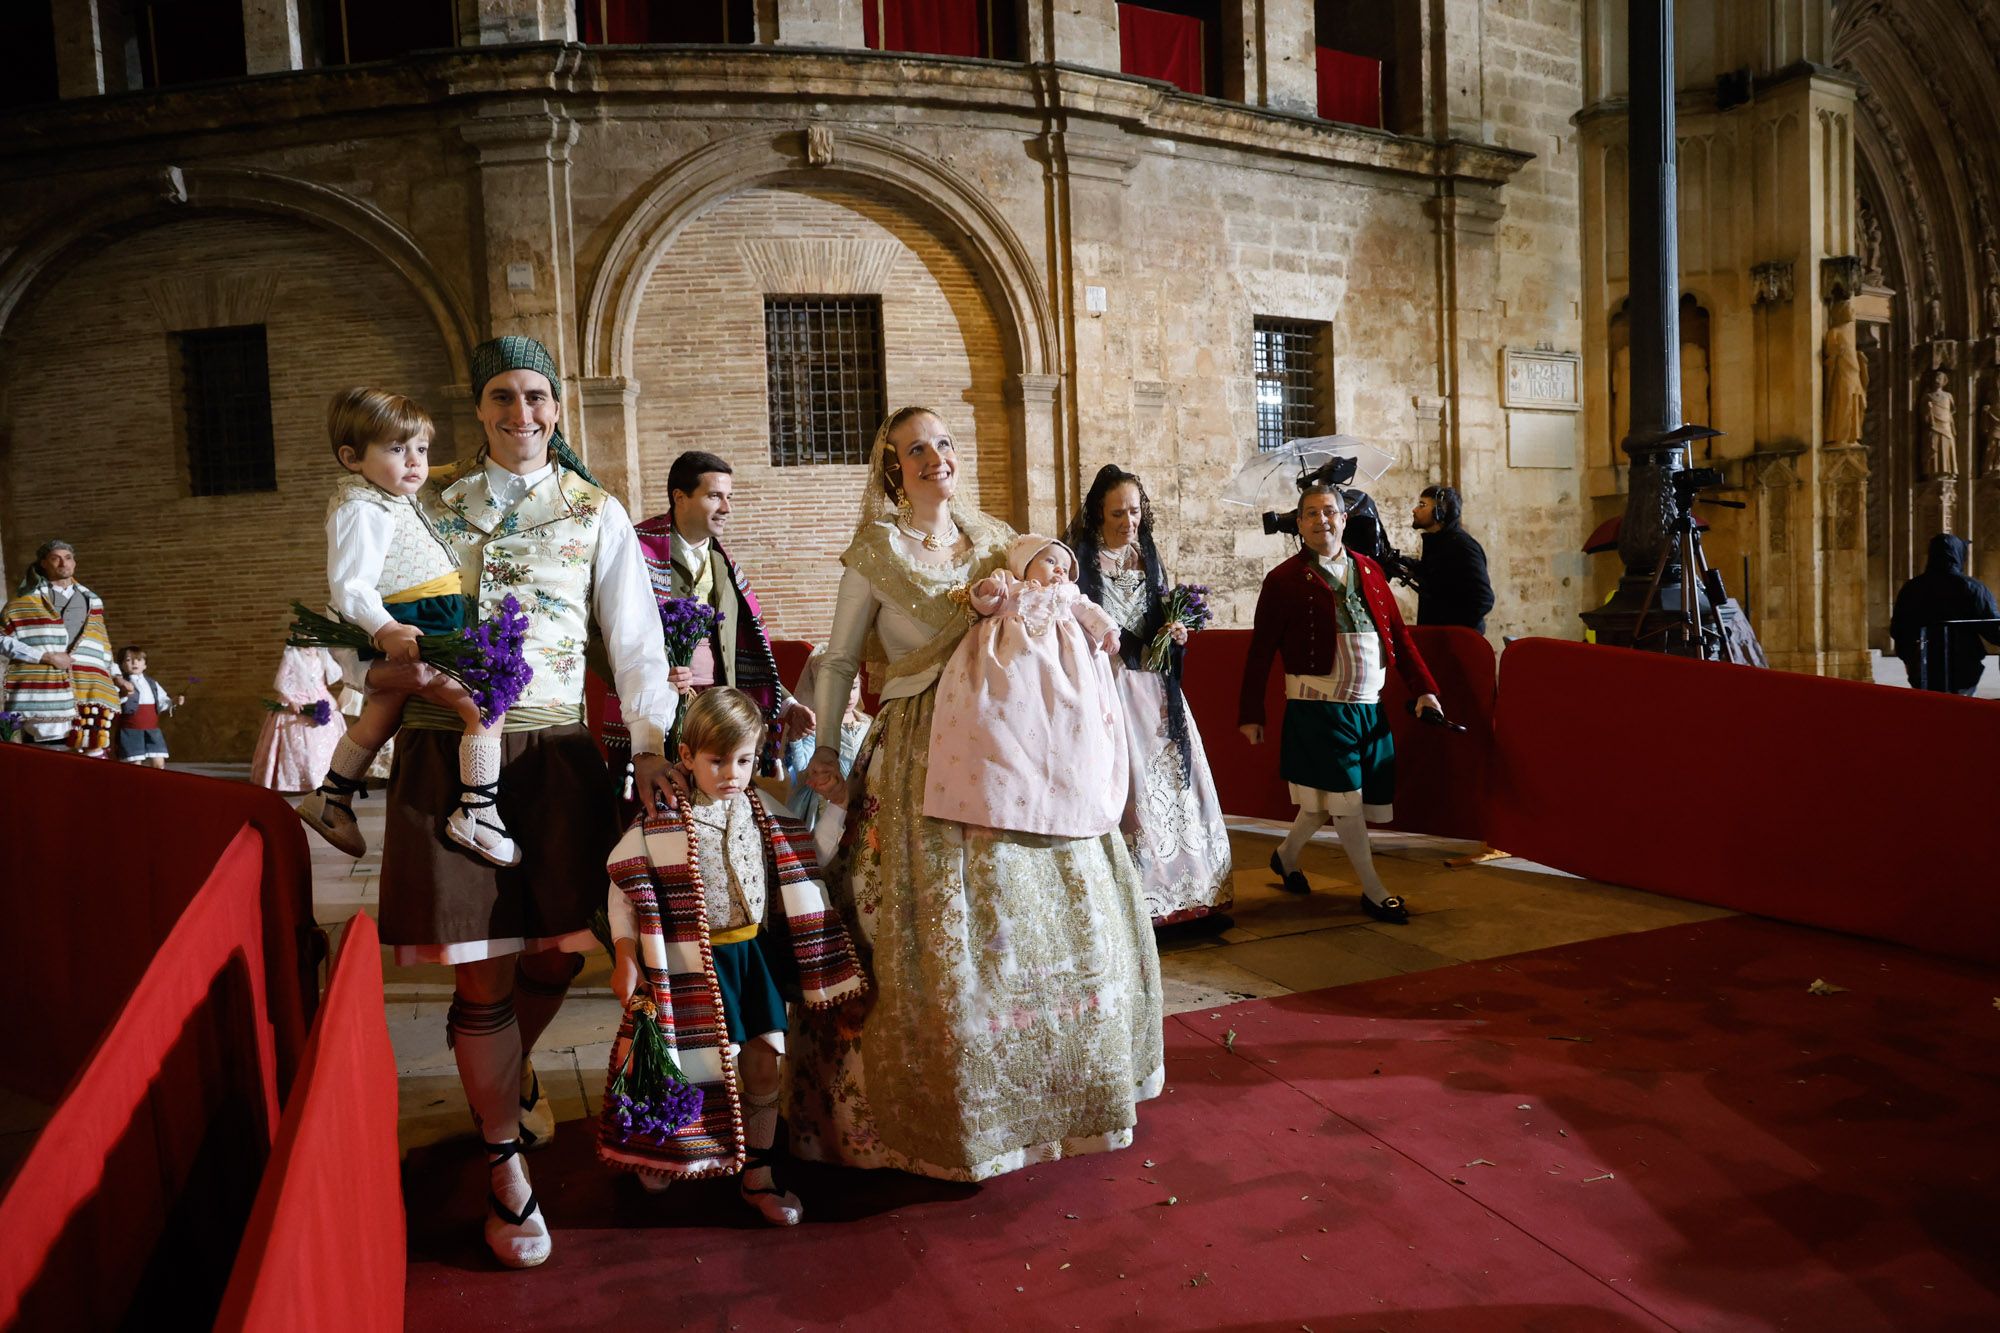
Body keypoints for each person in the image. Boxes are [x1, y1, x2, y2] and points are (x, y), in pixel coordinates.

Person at [791, 405, 1164, 1182]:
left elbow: (1057, 572)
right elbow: (837, 660)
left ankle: (1056, 1097)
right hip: (918, 756)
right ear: (894, 468)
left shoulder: (997, 536)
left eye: (945, 443)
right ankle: (942, 1110)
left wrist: (1048, 569)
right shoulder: (876, 552)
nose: (936, 458)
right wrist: (826, 746)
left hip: (1014, 747)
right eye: (916, 449)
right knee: (936, 937)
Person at [381, 334, 678, 1270]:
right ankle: (504, 1161)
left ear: (557, 406)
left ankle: (499, 1075)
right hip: (452, 748)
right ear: (478, 406)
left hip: (554, 753)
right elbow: (378, 618)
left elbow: (634, 643)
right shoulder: (428, 506)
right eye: (503, 396)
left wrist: (654, 744)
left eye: (537, 397)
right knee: (484, 971)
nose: (522, 413)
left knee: (560, 951)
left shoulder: (595, 510)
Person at [600, 688, 868, 1226]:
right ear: (687, 756)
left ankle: (759, 1171)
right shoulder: (664, 818)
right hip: (686, 964)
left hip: (752, 958)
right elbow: (624, 887)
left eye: (743, 760)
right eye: (717, 760)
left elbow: (807, 856)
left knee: (764, 1061)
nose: (731, 773)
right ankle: (672, 1150)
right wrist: (626, 953)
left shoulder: (765, 810)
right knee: (687, 1063)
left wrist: (839, 803)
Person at [296, 388, 517, 866]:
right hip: (409, 625)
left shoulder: (390, 498)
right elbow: (350, 586)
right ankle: (477, 810)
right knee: (486, 703)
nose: (415, 461)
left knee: (386, 707)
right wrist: (385, 629)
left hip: (422, 619)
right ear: (352, 458)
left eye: (420, 448)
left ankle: (331, 797)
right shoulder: (362, 508)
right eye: (397, 450)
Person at [1239, 484, 1443, 925]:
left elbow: (1401, 639)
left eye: (1328, 511)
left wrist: (1424, 690)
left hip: (1368, 708)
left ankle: (1285, 856)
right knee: (1347, 801)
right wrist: (1251, 713)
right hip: (1319, 708)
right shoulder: (1282, 580)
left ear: (1344, 518)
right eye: (1309, 514)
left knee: (1318, 804)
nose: (1320, 521)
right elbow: (1261, 650)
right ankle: (1373, 889)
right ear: (1299, 525)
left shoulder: (1370, 570)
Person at [1069, 465, 1233, 926]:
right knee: (1131, 783)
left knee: (1177, 782)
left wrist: (1176, 631)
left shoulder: (1150, 556)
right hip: (1114, 686)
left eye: (1135, 511)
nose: (1128, 521)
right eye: (1118, 512)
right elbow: (1076, 625)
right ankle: (1138, 898)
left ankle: (1192, 892)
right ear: (1098, 515)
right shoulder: (1083, 563)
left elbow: (1159, 612)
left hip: (1157, 688)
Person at [603, 450, 812, 776]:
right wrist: (651, 675)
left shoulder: (724, 564)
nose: (726, 508)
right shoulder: (635, 550)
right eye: (715, 496)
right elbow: (599, 633)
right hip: (659, 710)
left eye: (728, 497)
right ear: (680, 497)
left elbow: (748, 649)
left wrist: (787, 705)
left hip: (717, 710)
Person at [922, 534, 1126, 836]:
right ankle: (993, 797)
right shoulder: (1007, 580)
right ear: (1026, 563)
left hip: (1061, 672)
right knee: (991, 716)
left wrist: (1108, 631)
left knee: (1069, 724)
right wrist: (989, 591)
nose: (1060, 570)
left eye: (1066, 566)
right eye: (1051, 561)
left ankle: (1060, 803)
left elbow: (1089, 610)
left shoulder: (1068, 593)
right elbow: (983, 602)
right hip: (1007, 667)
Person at [2, 540, 119, 754]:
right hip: (44, 689)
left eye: (68, 558)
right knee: (51, 750)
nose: (63, 563)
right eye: (56, 558)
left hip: (89, 686)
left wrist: (117, 675)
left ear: (74, 563)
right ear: (44, 563)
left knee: (94, 748)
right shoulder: (24, 602)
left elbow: (101, 642)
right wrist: (44, 656)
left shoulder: (92, 600)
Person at [1890, 533, 2000, 694]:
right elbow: (1993, 629)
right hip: (1963, 669)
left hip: (1923, 667)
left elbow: (1898, 629)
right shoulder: (1973, 588)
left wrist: (1908, 657)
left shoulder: (1912, 588)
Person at [782, 646, 869, 843]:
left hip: (860, 798)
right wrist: (795, 740)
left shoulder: (867, 723)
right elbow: (802, 769)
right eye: (837, 690)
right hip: (823, 801)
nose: (847, 696)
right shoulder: (815, 724)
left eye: (853, 687)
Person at [250, 646, 349, 792]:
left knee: (324, 741)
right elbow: (281, 681)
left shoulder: (322, 652)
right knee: (299, 745)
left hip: (320, 698)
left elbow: (335, 673)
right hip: (296, 700)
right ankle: (301, 780)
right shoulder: (292, 654)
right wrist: (291, 700)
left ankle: (326, 778)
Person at [1401, 484, 1495, 633]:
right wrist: (1400, 561)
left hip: (1455, 643)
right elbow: (1435, 575)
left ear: (1440, 512)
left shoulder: (1462, 546)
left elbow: (1483, 599)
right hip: (1437, 638)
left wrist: (1452, 630)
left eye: (1422, 505)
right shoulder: (1439, 542)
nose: (1415, 510)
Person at [112, 646, 183, 768]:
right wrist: (123, 694)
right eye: (129, 660)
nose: (135, 663)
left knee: (159, 762)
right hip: (131, 729)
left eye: (139, 660)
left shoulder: (152, 683)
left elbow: (161, 700)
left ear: (145, 665)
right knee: (135, 762)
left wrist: (173, 701)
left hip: (152, 729)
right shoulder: (120, 683)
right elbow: (113, 701)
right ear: (122, 665)